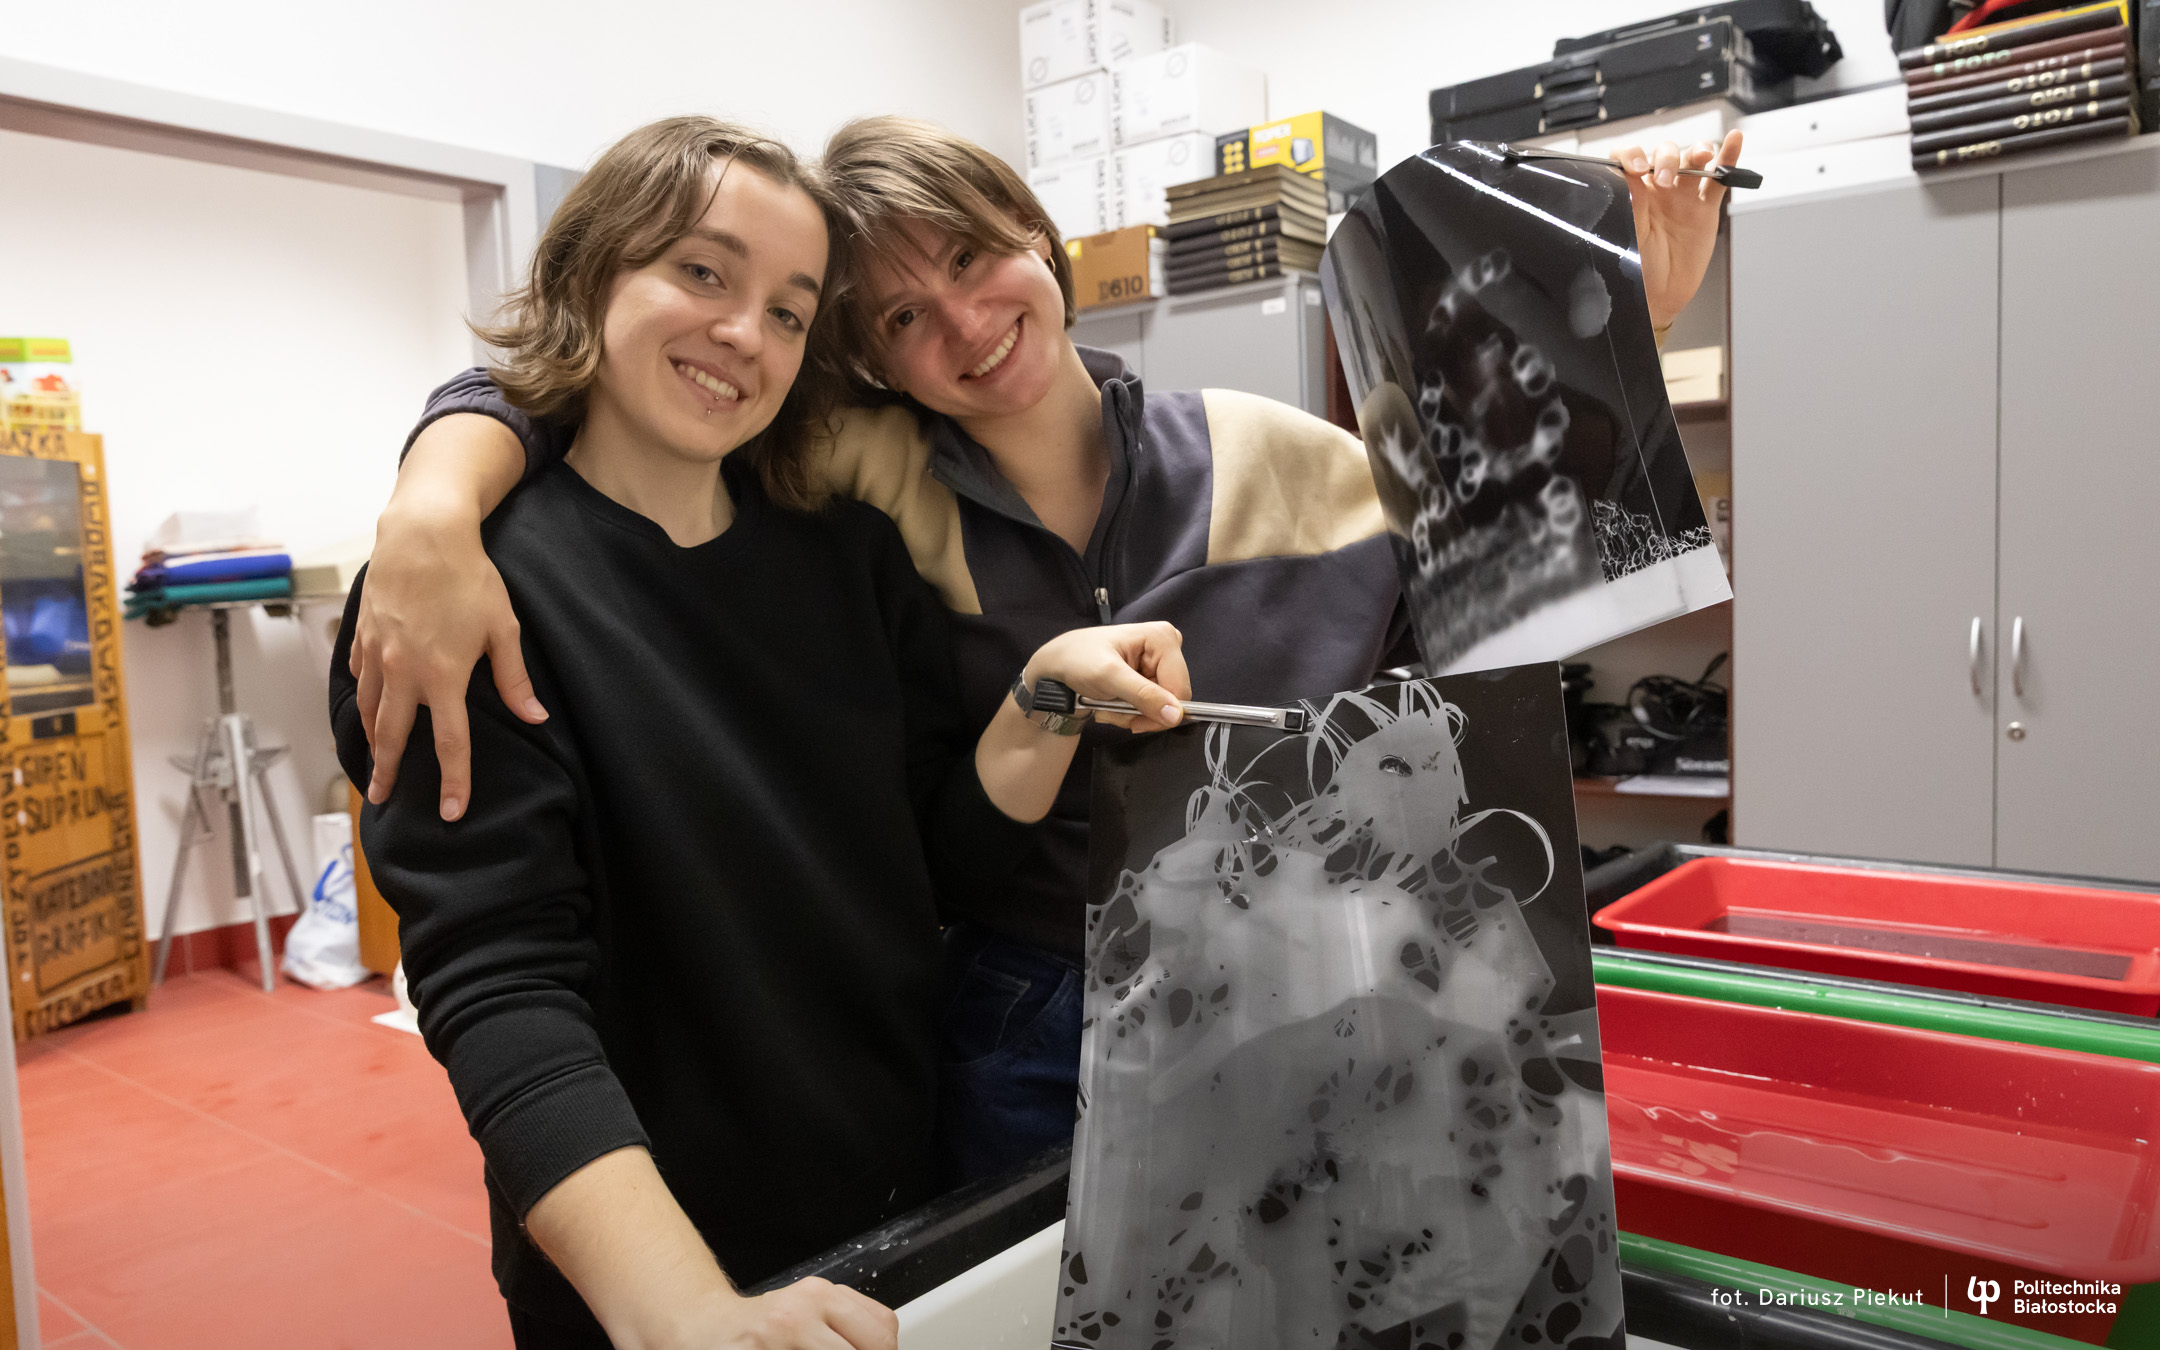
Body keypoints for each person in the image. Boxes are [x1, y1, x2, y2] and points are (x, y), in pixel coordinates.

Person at [350, 122, 1743, 1186]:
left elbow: (1507, 616)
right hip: (1023, 1012)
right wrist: (432, 500)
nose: (960, 325)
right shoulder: (860, 482)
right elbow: (594, 379)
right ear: (869, 359)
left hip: (1303, 985)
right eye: (899, 316)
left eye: (971, 259)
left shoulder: (1284, 455)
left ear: (1037, 237)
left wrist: (1634, 332)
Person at [330, 115, 1190, 1350]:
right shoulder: (468, 598)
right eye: (702, 272)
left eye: (790, 312)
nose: (746, 333)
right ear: (590, 271)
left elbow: (938, 865)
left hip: (898, 1204)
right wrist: (684, 1307)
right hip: (652, 1268)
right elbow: (501, 984)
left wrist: (1045, 695)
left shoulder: (851, 560)